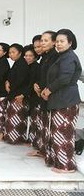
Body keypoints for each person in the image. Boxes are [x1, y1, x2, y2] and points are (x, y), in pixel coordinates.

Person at [42, 29, 82, 173]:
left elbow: (64, 78)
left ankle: (67, 166)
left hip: (66, 100)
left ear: (70, 42)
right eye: (57, 41)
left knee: (64, 133)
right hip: (60, 99)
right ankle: (60, 163)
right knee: (58, 133)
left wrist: (49, 89)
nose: (58, 44)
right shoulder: (62, 56)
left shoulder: (69, 57)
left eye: (62, 41)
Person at [29, 31, 58, 157]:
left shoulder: (55, 57)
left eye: (46, 41)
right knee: (43, 124)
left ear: (53, 42)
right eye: (42, 40)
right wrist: (36, 84)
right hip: (42, 94)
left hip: (50, 95)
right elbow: (42, 75)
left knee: (48, 125)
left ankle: (46, 151)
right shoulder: (46, 57)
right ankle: (42, 149)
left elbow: (55, 77)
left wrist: (47, 90)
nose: (42, 43)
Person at [4, 43, 29, 144]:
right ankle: (11, 138)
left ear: (20, 53)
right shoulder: (17, 63)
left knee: (17, 118)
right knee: (12, 117)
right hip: (13, 93)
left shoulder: (22, 64)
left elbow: (20, 81)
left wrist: (11, 86)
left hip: (18, 94)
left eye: (13, 52)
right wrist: (7, 82)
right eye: (10, 53)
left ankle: (17, 139)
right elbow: (11, 76)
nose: (11, 55)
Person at [23, 45, 40, 148]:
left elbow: (31, 84)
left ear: (35, 57)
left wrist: (23, 94)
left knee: (35, 119)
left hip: (35, 97)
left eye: (30, 55)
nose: (27, 57)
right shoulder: (27, 66)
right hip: (29, 96)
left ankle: (33, 140)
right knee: (30, 118)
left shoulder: (36, 67)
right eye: (26, 55)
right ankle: (30, 138)